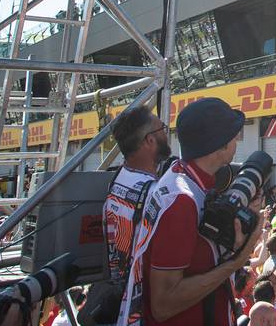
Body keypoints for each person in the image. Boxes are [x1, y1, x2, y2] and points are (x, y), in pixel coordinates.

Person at [119, 98, 263, 326]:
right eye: (234, 134)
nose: (237, 139)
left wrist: (232, 242)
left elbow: (197, 256)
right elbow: (163, 305)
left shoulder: (180, 176)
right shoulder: (181, 201)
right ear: (220, 145)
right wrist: (236, 262)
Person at [88, 106, 170, 324]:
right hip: (143, 313)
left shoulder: (118, 179)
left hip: (120, 306)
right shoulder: (155, 195)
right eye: (162, 128)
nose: (166, 133)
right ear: (149, 140)